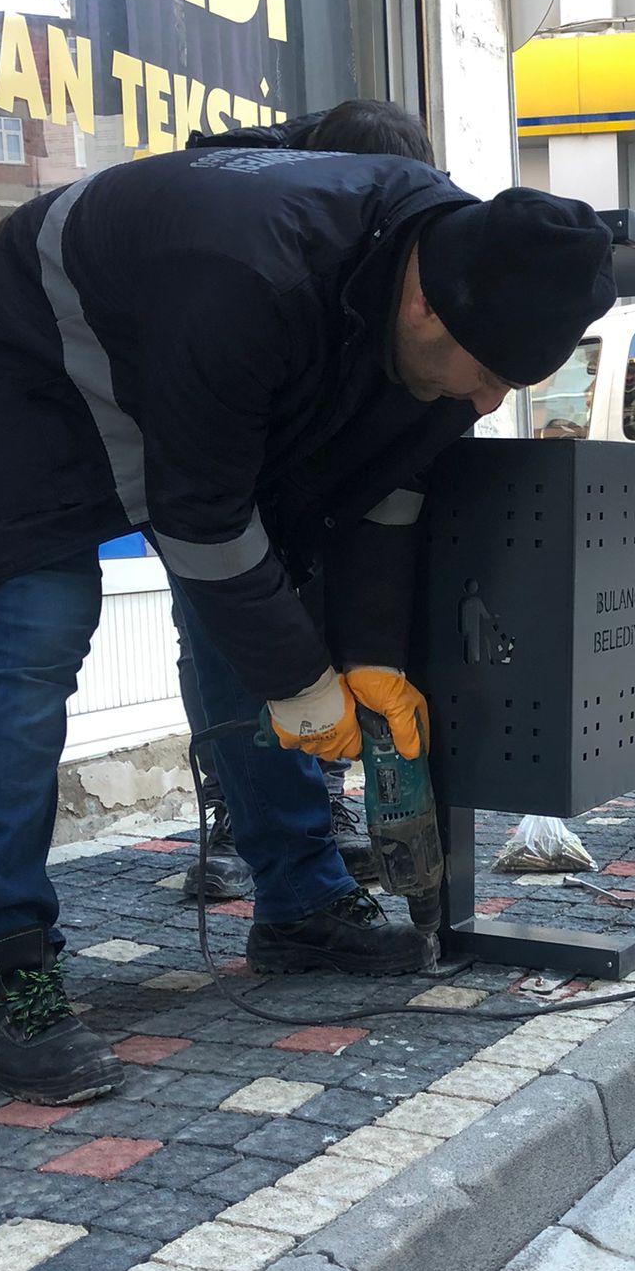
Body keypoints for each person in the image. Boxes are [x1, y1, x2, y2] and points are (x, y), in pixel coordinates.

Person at [0, 148, 615, 1104]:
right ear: (423, 311)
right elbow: (202, 518)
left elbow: (384, 495)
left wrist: (363, 657)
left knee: (253, 597)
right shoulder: (247, 277)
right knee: (43, 622)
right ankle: (2, 959)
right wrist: (295, 677)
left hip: (194, 363)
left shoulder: (455, 282)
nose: (489, 402)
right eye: (486, 373)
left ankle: (301, 900)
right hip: (30, 348)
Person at [176, 99, 440, 903]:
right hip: (212, 462)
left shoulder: (398, 251)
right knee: (224, 632)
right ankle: (251, 820)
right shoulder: (264, 245)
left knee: (312, 635)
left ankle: (311, 808)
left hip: (306, 463)